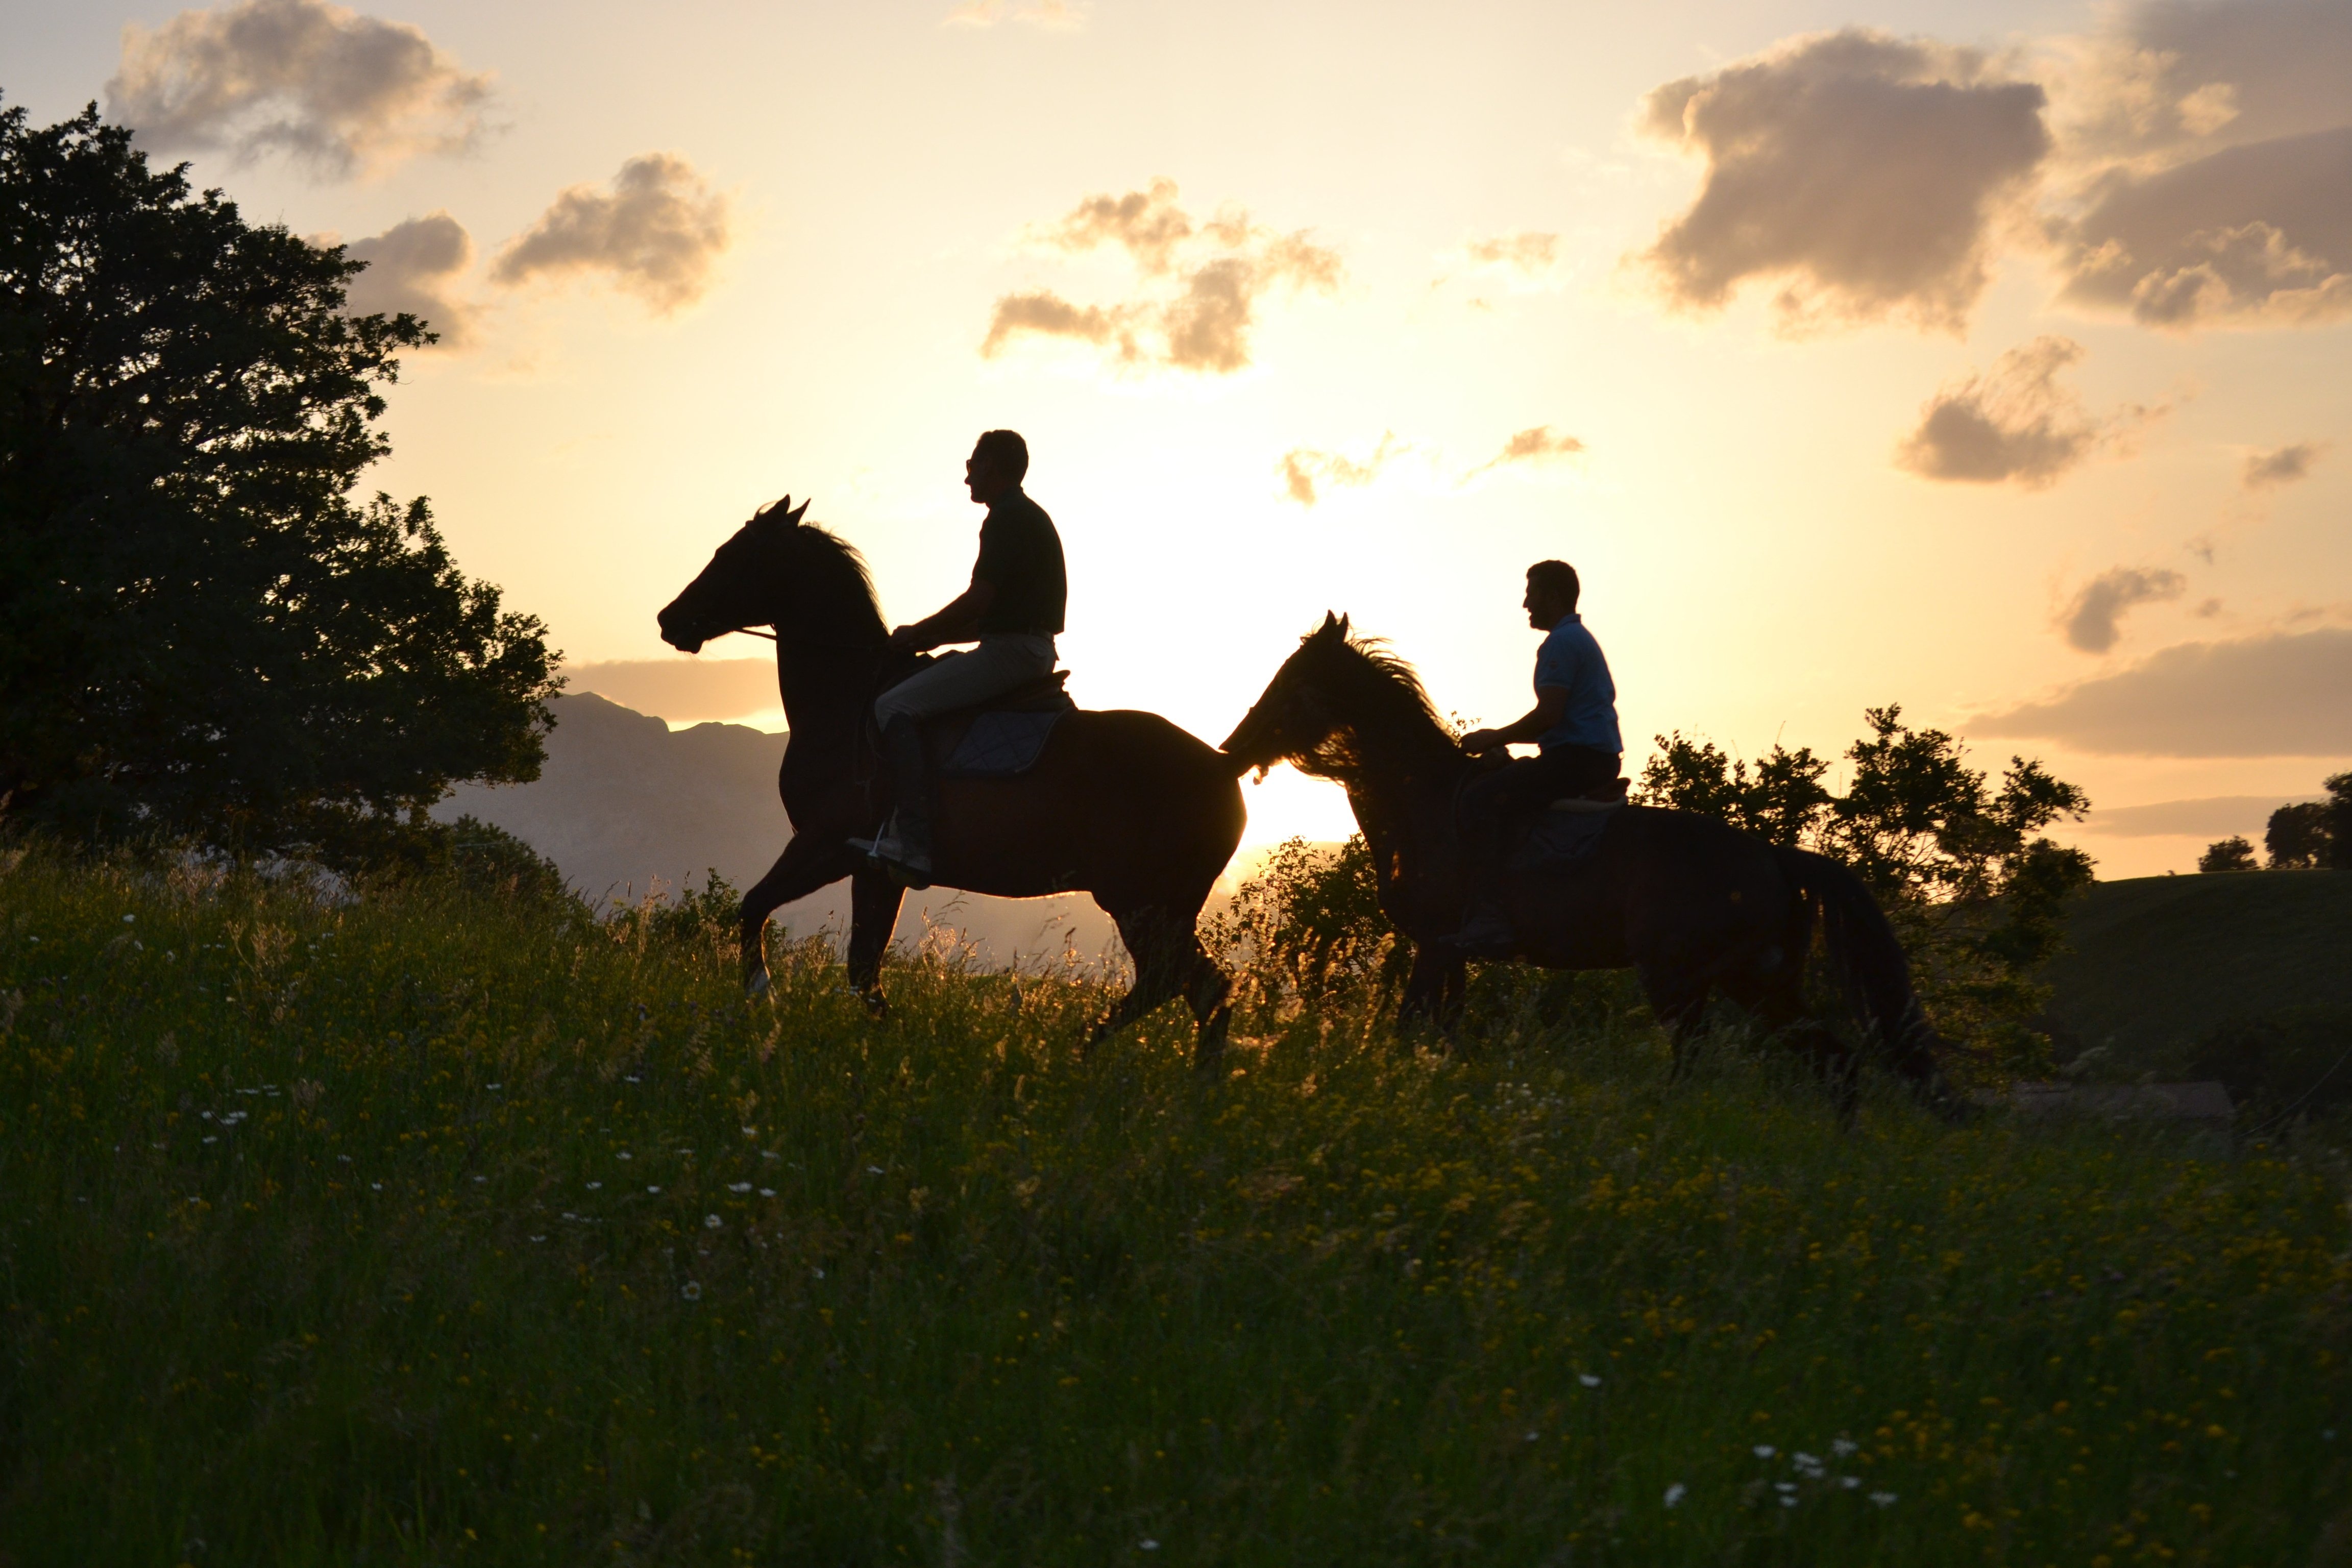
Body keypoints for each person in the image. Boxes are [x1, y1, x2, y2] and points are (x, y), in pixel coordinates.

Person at [852, 429, 1067, 888]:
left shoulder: (1005, 518)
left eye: (973, 463)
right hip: (1026, 646)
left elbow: (978, 601)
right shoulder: (1028, 516)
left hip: (1012, 653)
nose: (967, 474)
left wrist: (919, 631)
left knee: (892, 705)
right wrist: (926, 642)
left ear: (992, 466)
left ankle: (913, 841)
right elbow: (990, 617)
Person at [1442, 559, 1623, 954]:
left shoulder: (1560, 644)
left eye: (1532, 593)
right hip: (1588, 756)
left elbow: (1549, 716)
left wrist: (1495, 737)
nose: (1526, 603)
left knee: (1478, 801)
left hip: (1577, 760)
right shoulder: (1578, 640)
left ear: (1552, 596)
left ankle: (1490, 918)